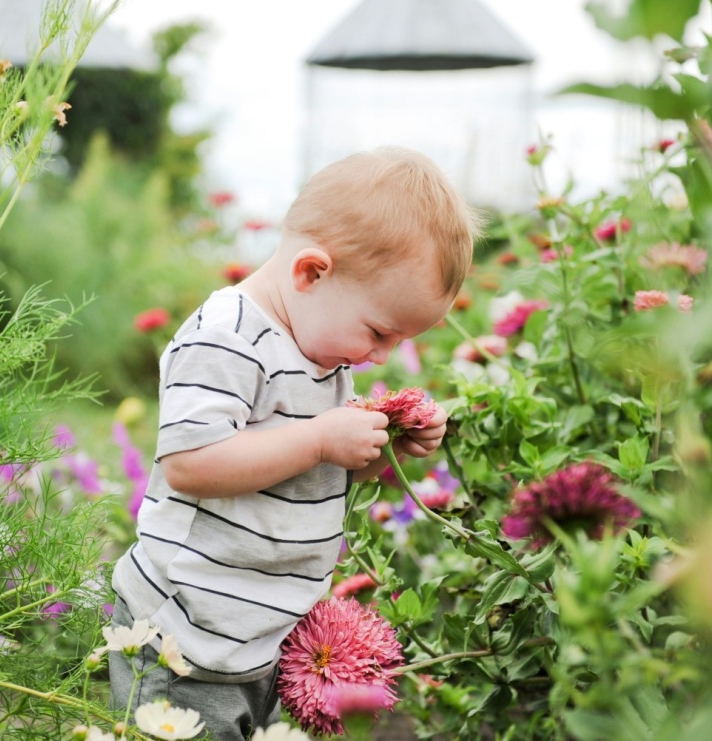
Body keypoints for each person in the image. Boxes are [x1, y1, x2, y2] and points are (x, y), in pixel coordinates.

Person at [108, 146, 479, 740]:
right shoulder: (226, 338)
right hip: (185, 639)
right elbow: (190, 464)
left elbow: (308, 476)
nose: (382, 355)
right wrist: (318, 440)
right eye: (379, 331)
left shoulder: (321, 349)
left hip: (260, 632)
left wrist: (385, 452)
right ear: (311, 272)